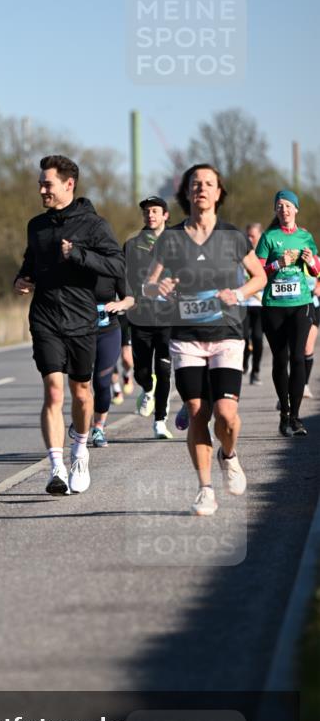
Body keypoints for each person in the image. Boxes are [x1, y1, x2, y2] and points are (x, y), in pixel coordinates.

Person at [144, 164, 267, 516]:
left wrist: (238, 293)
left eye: (208, 183)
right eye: (195, 183)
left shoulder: (232, 237)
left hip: (226, 334)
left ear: (218, 192)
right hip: (186, 337)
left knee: (226, 416)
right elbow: (147, 285)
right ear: (187, 192)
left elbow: (259, 277)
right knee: (198, 411)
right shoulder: (171, 239)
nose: (201, 188)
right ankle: (205, 489)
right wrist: (159, 287)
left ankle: (229, 455)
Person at [14, 154, 124, 495]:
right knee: (53, 390)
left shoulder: (95, 226)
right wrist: (23, 278)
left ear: (68, 184)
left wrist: (77, 254)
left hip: (81, 318)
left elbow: (118, 266)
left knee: (81, 392)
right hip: (45, 316)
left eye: (47, 184)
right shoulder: (37, 225)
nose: (41, 190)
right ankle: (56, 467)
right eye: (40, 184)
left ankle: (79, 452)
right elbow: (31, 261)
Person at [255, 189, 320, 436]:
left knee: (298, 357)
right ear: (276, 210)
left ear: (296, 209)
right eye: (280, 206)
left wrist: (310, 261)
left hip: (301, 304)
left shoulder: (305, 237)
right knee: (280, 360)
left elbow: (316, 270)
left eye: (288, 205)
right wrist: (277, 264)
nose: (284, 210)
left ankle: (296, 418)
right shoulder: (268, 237)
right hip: (274, 307)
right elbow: (256, 273)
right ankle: (284, 413)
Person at [124, 195, 174, 438]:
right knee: (142, 372)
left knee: (164, 370)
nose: (150, 215)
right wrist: (128, 301)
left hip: (168, 316)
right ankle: (147, 388)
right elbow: (125, 277)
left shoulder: (178, 244)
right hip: (141, 315)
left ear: (165, 215)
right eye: (146, 211)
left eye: (155, 211)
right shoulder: (133, 245)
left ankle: (160, 421)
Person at [89, 276, 134, 448]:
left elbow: (130, 298)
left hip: (109, 329)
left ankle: (98, 427)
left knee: (102, 381)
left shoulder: (112, 266)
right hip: (79, 332)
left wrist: (120, 304)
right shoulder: (73, 266)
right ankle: (82, 419)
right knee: (81, 383)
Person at [242, 222, 264, 384]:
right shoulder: (240, 254)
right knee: (242, 338)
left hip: (260, 305)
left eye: (253, 236)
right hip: (243, 304)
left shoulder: (265, 255)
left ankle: (255, 371)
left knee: (257, 338)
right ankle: (244, 362)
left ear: (260, 237)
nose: (249, 239)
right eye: (247, 236)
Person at [303, 277, 320, 398]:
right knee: (293, 350)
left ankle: (304, 385)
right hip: (291, 305)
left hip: (312, 305)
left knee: (307, 348)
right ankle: (286, 390)